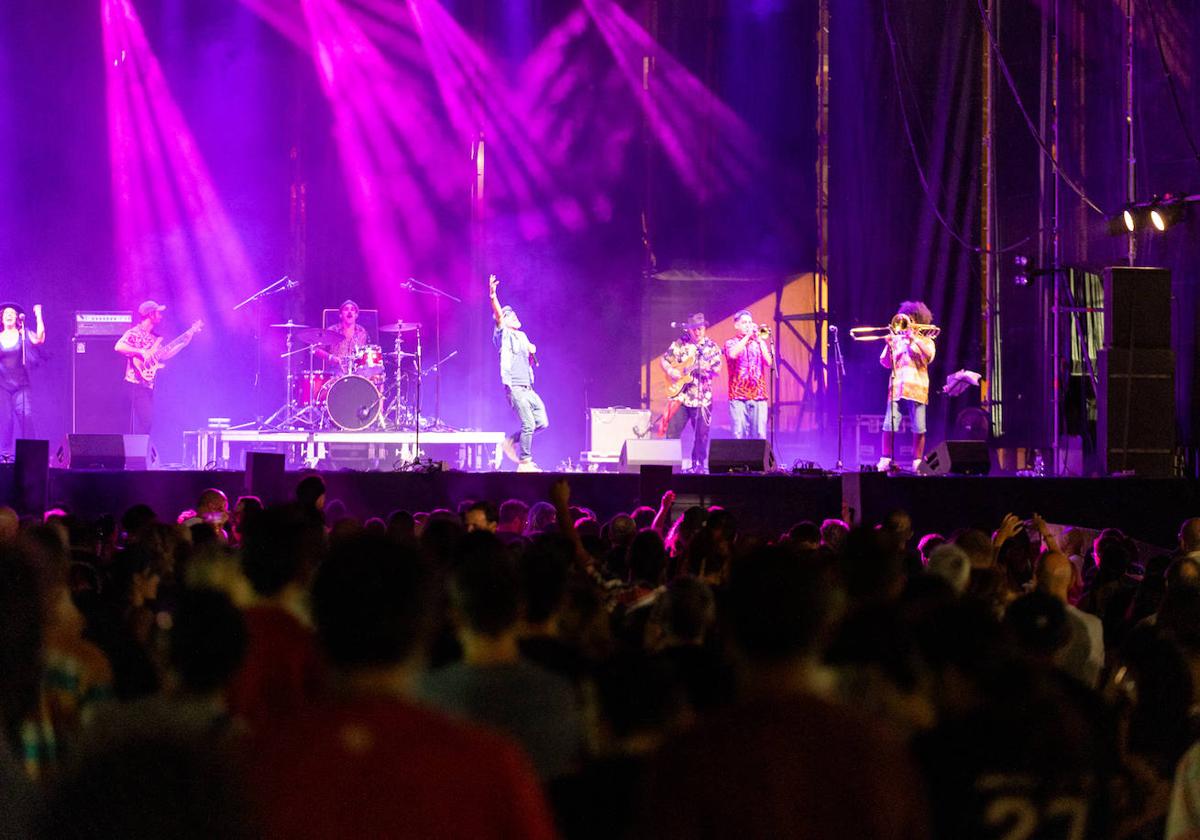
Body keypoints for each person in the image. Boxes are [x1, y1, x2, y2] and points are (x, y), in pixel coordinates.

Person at [489, 274, 548, 472]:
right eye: (510, 315)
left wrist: (531, 353)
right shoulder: (503, 334)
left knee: (542, 422)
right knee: (529, 423)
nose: (515, 316)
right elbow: (498, 315)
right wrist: (493, 295)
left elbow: (528, 360)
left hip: (528, 388)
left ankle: (510, 441)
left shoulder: (522, 336)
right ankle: (525, 463)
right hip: (515, 387)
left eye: (515, 314)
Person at [114, 300, 197, 436]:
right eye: (158, 312)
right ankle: (136, 452)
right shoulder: (134, 332)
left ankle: (139, 451)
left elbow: (164, 355)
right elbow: (118, 346)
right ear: (150, 314)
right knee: (145, 422)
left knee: (147, 423)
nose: (161, 316)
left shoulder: (155, 338)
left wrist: (184, 343)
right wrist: (141, 351)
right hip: (134, 385)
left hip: (148, 386)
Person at [878, 301, 936, 472]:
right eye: (906, 318)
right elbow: (885, 363)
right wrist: (889, 344)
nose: (907, 322)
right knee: (889, 424)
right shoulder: (897, 340)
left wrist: (914, 339)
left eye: (911, 318)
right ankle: (885, 459)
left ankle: (917, 461)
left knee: (919, 426)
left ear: (918, 320)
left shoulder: (927, 340)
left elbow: (929, 355)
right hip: (897, 387)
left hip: (917, 388)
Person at [661, 313, 722, 472]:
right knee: (672, 433)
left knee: (701, 436)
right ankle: (671, 467)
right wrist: (670, 371)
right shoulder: (680, 343)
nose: (697, 332)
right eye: (694, 329)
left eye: (700, 329)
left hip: (702, 398)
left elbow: (717, 369)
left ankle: (698, 466)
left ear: (705, 328)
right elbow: (664, 360)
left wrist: (707, 369)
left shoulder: (712, 347)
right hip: (680, 397)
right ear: (689, 330)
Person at [0, 302, 44, 457]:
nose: (9, 315)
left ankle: (31, 455)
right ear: (2, 318)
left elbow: (40, 339)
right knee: (6, 421)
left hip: (21, 386)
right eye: (6, 313)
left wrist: (38, 314)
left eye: (12, 313)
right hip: (3, 387)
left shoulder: (23, 335)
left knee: (26, 417)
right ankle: (4, 456)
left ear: (18, 318)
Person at [724, 310, 773, 439]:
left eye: (750, 322)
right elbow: (733, 354)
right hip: (738, 396)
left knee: (760, 434)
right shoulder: (731, 343)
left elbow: (769, 362)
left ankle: (758, 460)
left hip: (759, 394)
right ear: (736, 325)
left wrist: (760, 341)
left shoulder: (758, 344)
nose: (748, 325)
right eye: (744, 322)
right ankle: (740, 460)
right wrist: (747, 337)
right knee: (739, 434)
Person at [316, 299, 370, 373]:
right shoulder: (332, 330)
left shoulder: (362, 331)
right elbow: (317, 350)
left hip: (356, 373)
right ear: (341, 315)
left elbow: (366, 352)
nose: (349, 312)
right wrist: (331, 358)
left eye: (352, 310)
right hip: (335, 373)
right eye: (346, 309)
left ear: (356, 315)